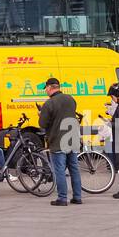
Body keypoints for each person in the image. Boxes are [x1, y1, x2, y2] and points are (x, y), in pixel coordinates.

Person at [39, 77, 82, 206]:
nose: (45, 91)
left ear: (50, 87)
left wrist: (41, 114)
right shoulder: (71, 99)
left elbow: (42, 123)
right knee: (74, 169)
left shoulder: (49, 103)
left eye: (46, 88)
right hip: (72, 139)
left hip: (58, 140)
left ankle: (62, 198)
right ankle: (77, 197)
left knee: (59, 170)